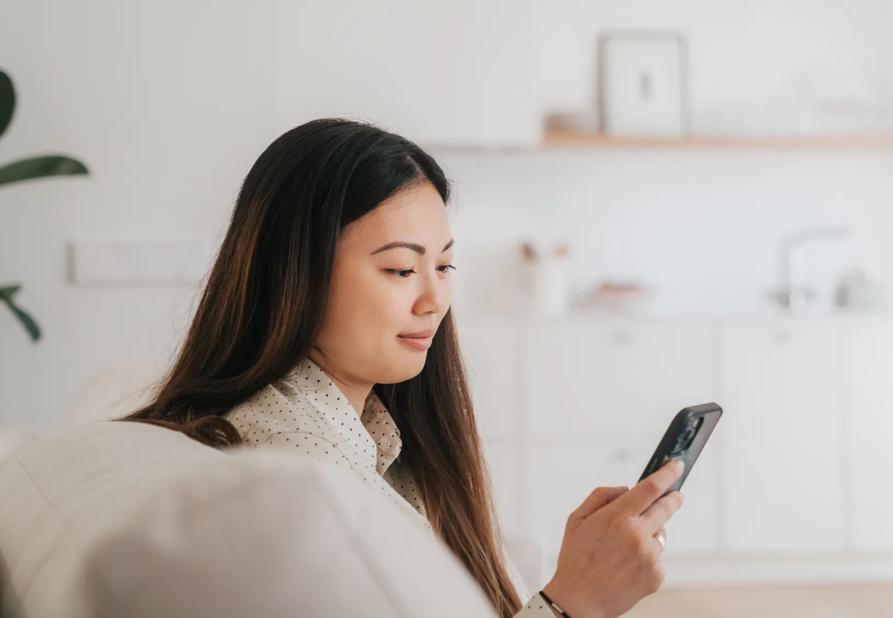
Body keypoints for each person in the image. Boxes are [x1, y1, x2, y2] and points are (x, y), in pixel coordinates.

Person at [120, 118, 685, 617]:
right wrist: (575, 602)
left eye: (444, 265)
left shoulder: (367, 431)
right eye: (399, 269)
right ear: (296, 274)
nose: (434, 300)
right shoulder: (302, 474)